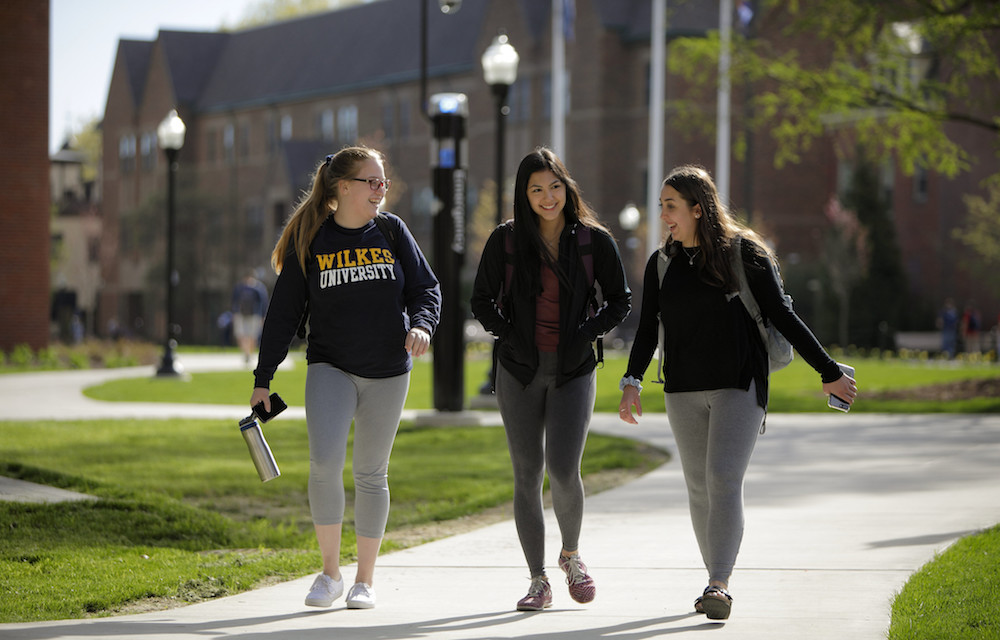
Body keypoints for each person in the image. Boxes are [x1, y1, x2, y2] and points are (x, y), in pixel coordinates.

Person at [617, 165, 857, 620]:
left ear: (697, 208)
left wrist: (826, 370)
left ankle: (718, 583)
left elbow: (784, 316)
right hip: (683, 388)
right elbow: (648, 329)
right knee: (698, 487)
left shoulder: (745, 253)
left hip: (739, 384)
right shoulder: (662, 263)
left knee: (723, 479)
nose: (663, 214)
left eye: (670, 206)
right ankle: (714, 576)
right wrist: (632, 383)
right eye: (662, 204)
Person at [250, 146, 441, 610]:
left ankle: (365, 580)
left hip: (389, 371)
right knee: (324, 464)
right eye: (371, 182)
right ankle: (330, 573)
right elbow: (282, 315)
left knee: (371, 473)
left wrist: (421, 324)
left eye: (383, 183)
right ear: (343, 186)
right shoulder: (312, 239)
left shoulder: (393, 231)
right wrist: (263, 378)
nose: (380, 190)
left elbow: (426, 287)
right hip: (330, 366)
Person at [471, 147, 631, 611]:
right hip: (519, 371)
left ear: (567, 186)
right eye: (537, 189)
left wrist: (585, 334)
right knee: (527, 474)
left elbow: (619, 300)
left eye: (554, 186)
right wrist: (512, 336)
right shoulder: (505, 241)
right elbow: (481, 301)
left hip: (573, 371)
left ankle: (572, 556)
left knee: (563, 469)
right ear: (524, 194)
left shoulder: (592, 241)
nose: (547, 197)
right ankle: (537, 579)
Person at [232, 272, 269, 365]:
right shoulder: (259, 288)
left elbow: (234, 301)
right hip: (252, 314)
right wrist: (263, 316)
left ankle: (247, 353)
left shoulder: (240, 287)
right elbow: (263, 303)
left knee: (247, 335)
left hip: (248, 314)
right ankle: (248, 353)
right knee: (249, 335)